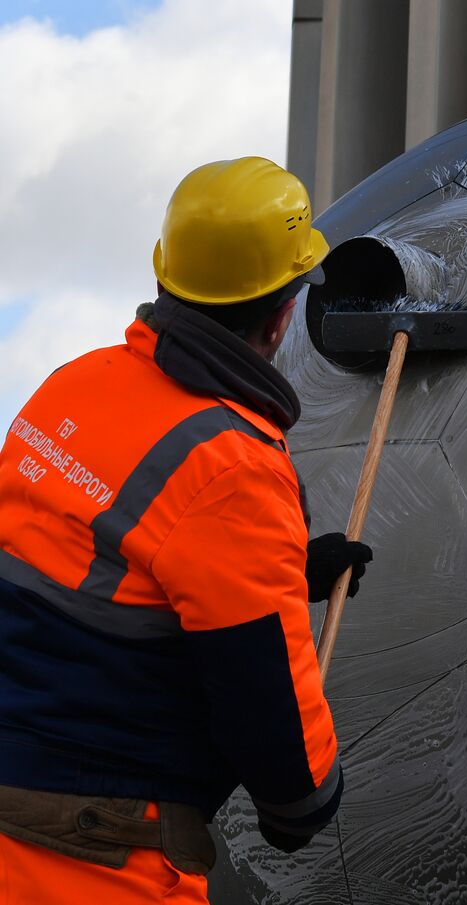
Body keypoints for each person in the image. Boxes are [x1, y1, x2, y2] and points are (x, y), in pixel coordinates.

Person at [0, 157, 373, 903]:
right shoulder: (231, 464)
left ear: (169, 278)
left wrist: (278, 573)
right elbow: (272, 727)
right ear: (283, 313)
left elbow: (93, 560)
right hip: (92, 849)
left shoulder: (78, 383)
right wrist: (304, 802)